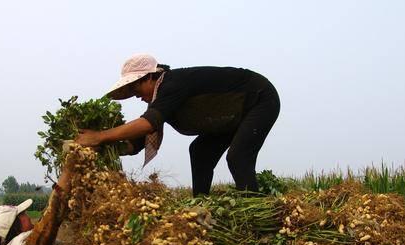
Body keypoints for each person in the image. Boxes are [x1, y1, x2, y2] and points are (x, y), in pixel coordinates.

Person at [76, 53, 280, 196]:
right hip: (229, 117)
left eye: (137, 90)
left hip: (259, 99)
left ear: (149, 78)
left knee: (238, 156)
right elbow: (138, 141)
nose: (137, 97)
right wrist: (106, 147)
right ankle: (201, 206)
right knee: (199, 151)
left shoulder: (171, 84)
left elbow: (148, 124)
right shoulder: (162, 97)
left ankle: (253, 215)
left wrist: (100, 136)